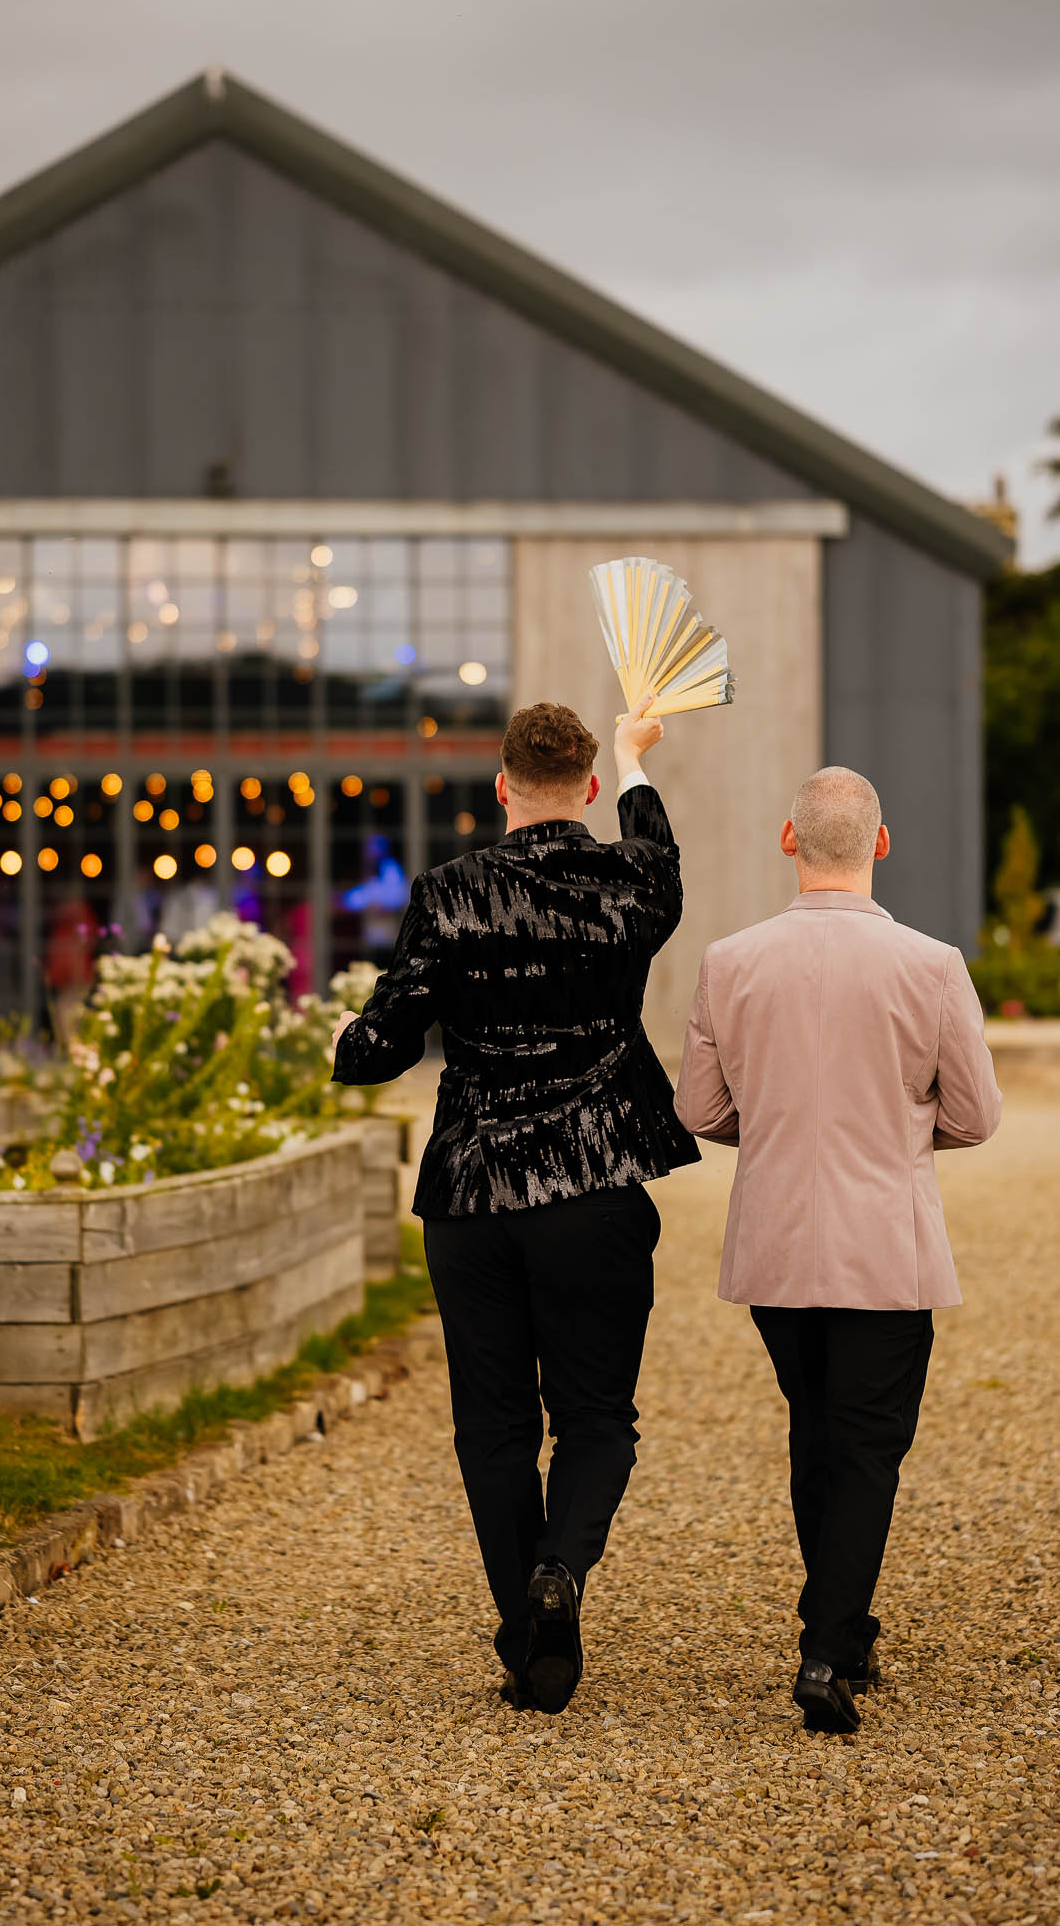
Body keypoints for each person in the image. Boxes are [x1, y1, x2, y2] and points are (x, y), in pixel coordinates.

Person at [331, 696, 699, 1714]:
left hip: (473, 1193)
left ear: (501, 786)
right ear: (587, 788)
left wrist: (350, 1038)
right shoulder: (631, 882)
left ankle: (526, 1634)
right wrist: (635, 757)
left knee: (491, 1424)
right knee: (597, 1416)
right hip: (595, 1185)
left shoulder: (448, 892)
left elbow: (382, 1048)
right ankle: (560, 1569)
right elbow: (659, 848)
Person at [675, 767, 1002, 1734]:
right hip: (884, 1244)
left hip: (775, 1241)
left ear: (788, 840)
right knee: (864, 1447)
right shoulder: (931, 964)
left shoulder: (728, 961)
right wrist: (898, 1135)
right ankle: (827, 1649)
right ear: (880, 844)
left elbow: (698, 1109)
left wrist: (779, 1132)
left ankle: (843, 1629)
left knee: (816, 1429)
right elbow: (976, 1115)